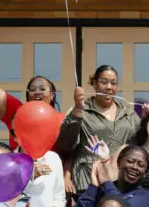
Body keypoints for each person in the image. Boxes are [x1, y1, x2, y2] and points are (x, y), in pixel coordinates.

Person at [58, 65, 139, 195]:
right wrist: (78, 110)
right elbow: (66, 145)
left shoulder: (128, 112)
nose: (109, 87)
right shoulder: (81, 110)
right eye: (104, 82)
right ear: (95, 84)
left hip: (120, 181)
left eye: (113, 83)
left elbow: (140, 143)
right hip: (88, 181)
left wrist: (148, 118)